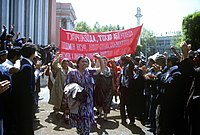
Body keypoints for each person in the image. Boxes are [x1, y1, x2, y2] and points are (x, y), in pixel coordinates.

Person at [63, 53, 105, 135]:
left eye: (86, 62)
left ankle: (86, 132)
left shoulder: (90, 72)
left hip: (88, 100)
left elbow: (102, 69)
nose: (84, 63)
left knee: (86, 122)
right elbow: (66, 85)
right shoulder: (72, 73)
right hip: (76, 101)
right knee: (78, 123)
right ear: (78, 63)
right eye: (82, 61)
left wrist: (99, 58)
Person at [12, 44, 36, 135]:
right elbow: (27, 88)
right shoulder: (27, 67)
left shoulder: (21, 63)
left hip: (20, 101)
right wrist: (31, 101)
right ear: (32, 54)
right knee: (26, 125)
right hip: (25, 102)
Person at [94, 56, 114, 120]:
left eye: (105, 61)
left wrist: (113, 87)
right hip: (100, 88)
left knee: (107, 102)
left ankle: (105, 115)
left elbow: (112, 78)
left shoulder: (110, 69)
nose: (104, 62)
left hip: (108, 88)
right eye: (102, 61)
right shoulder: (98, 69)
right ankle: (100, 113)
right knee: (99, 101)